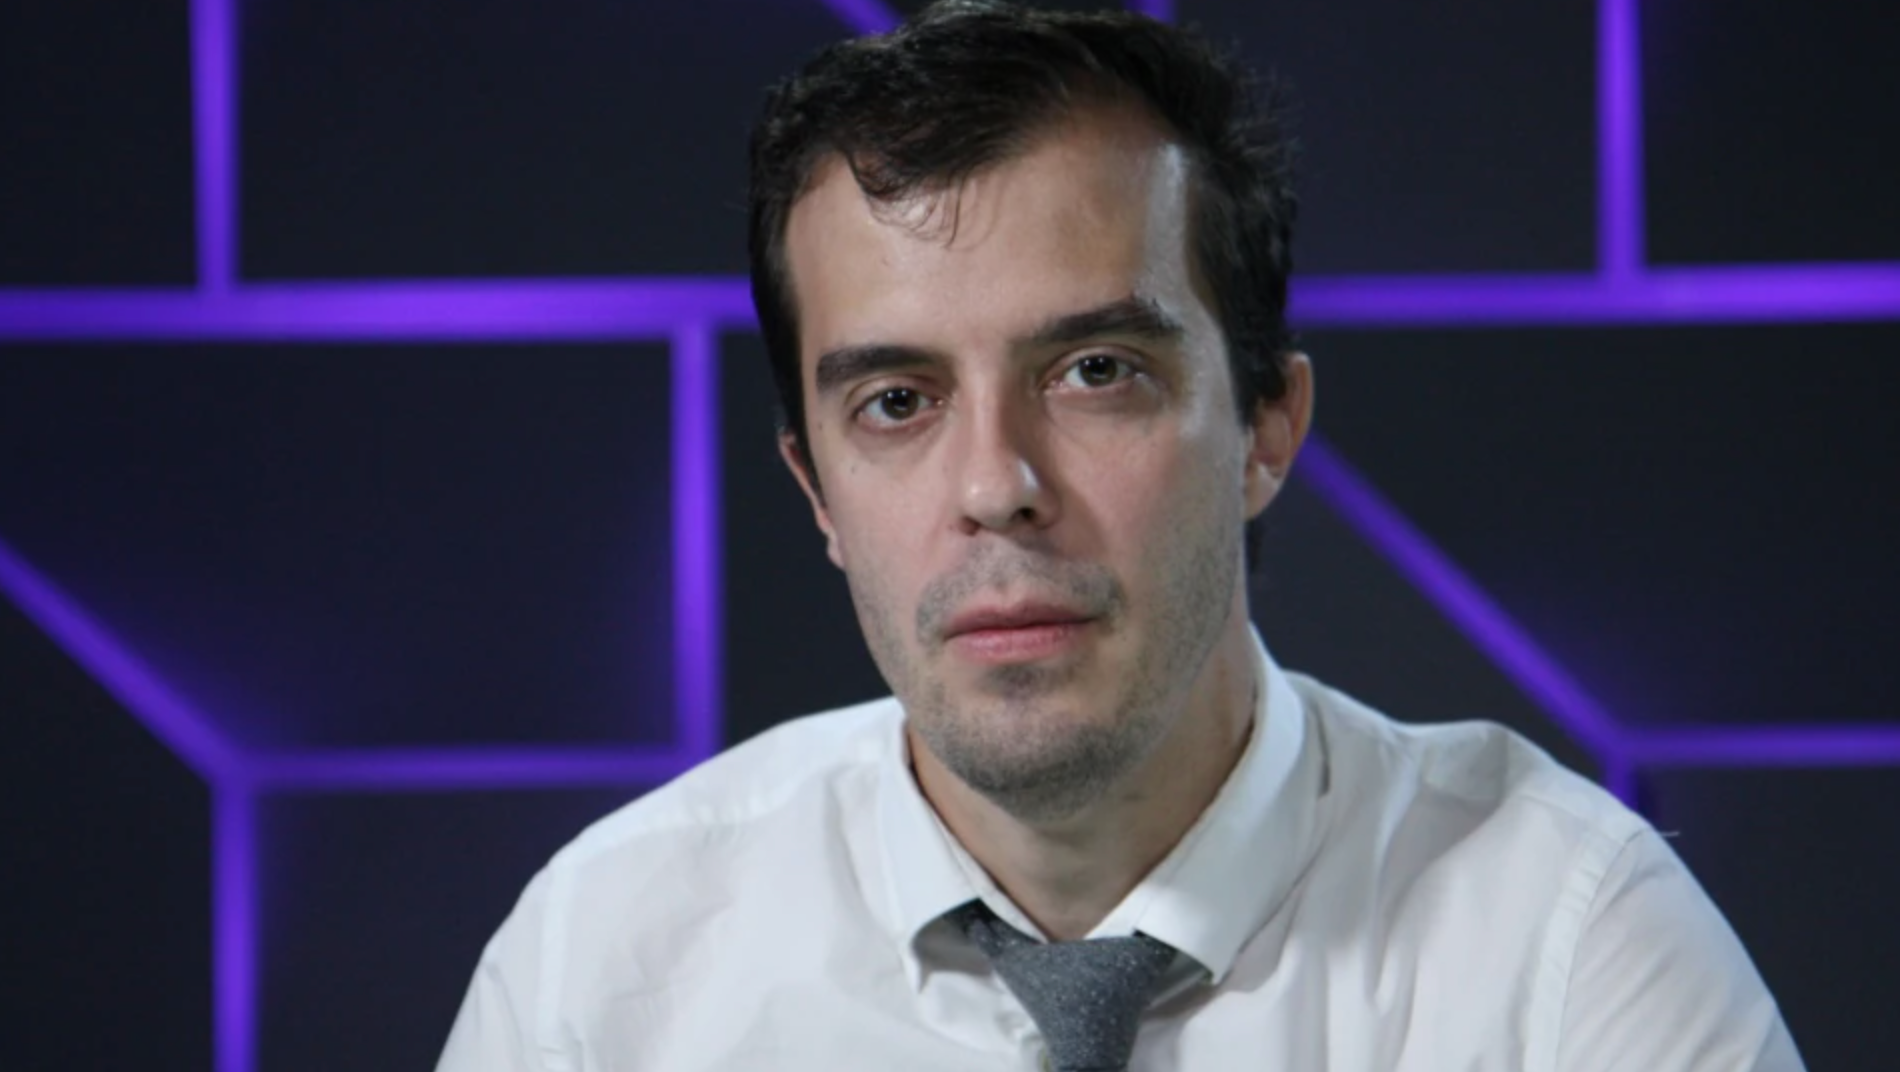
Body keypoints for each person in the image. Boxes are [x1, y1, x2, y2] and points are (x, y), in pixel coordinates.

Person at [437, 3, 1802, 1069]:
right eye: (898, 401)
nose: (997, 485)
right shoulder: (602, 972)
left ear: (1266, 425)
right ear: (816, 493)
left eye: (1096, 371)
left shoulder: (1568, 945)